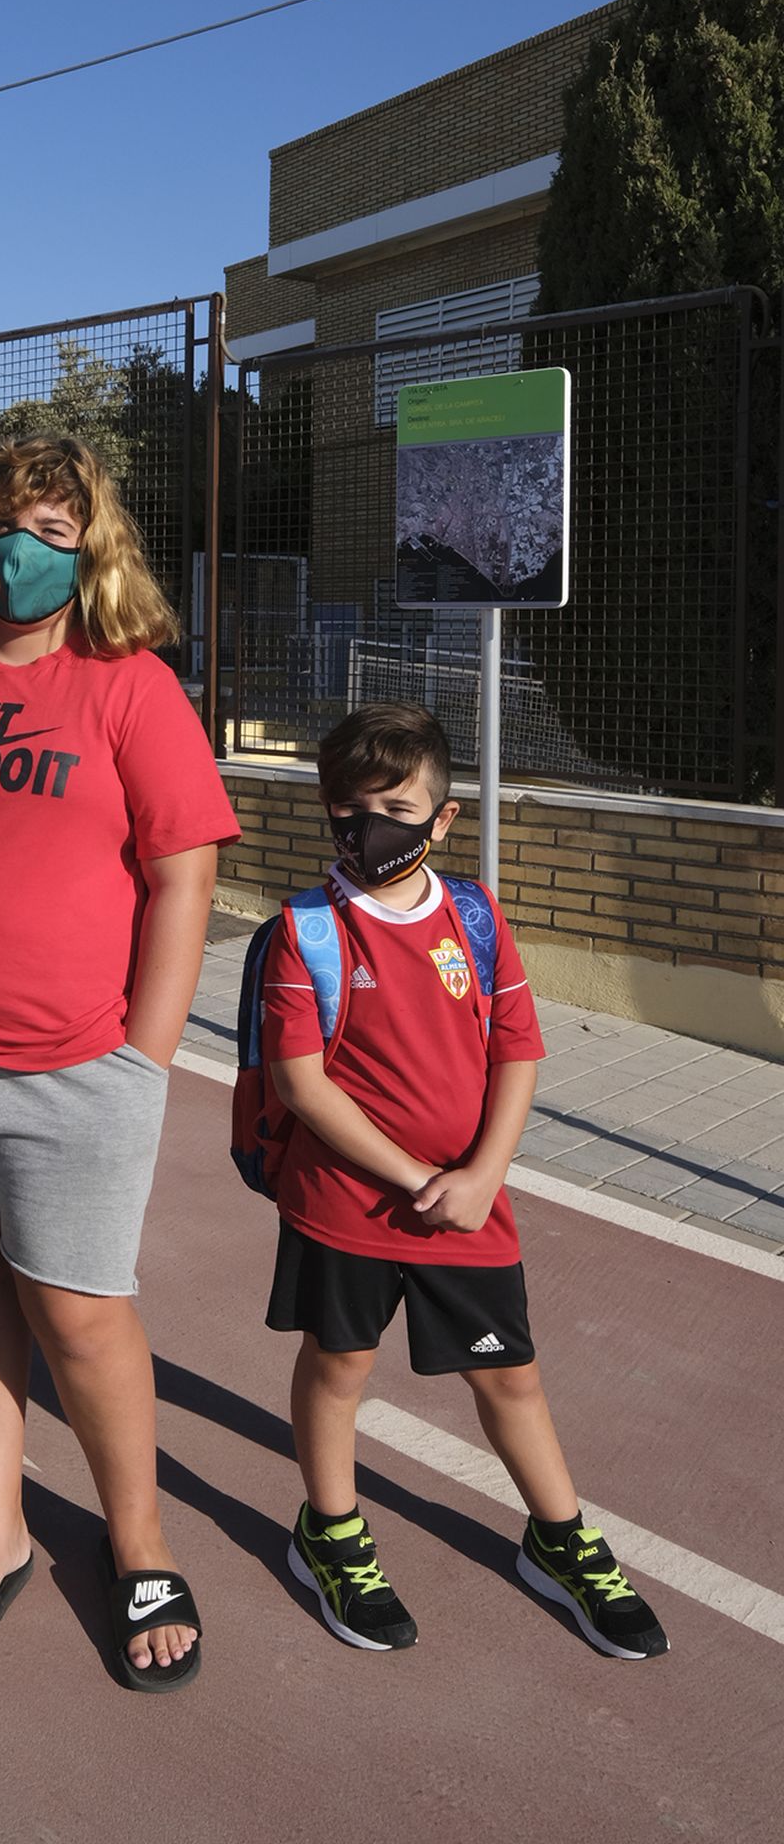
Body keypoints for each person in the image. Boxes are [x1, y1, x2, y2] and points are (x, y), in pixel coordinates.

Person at [0, 434, 239, 1689]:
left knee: (79, 1312)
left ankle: (137, 1539)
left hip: (77, 1067)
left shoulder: (131, 687)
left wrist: (147, 1054)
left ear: (90, 546)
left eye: (46, 526)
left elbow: (186, 871)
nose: (15, 547)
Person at [258, 702, 668, 1660]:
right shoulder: (308, 932)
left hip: (469, 1212)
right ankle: (330, 1533)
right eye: (352, 809)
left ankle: (559, 1539)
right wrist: (413, 1175)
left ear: (442, 819)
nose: (373, 828)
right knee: (338, 1367)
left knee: (510, 1376)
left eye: (398, 806)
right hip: (347, 1207)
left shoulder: (476, 916)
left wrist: (483, 1174)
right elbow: (300, 1082)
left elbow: (518, 1049)